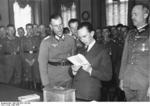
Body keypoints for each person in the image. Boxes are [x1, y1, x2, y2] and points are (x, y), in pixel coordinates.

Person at [71, 22, 112, 101]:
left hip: (89, 94)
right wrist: (73, 70)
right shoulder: (80, 49)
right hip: (75, 92)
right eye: (80, 37)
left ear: (92, 33)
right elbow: (71, 70)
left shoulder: (102, 50)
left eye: (84, 36)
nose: (82, 40)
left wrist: (91, 70)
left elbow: (108, 76)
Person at [119, 4, 150, 101]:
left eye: (135, 14)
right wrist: (122, 78)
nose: (132, 17)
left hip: (144, 83)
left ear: (145, 15)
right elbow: (124, 58)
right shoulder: (130, 34)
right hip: (128, 81)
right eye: (132, 14)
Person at [38, 14, 76, 88]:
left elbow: (73, 58)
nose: (59, 28)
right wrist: (46, 83)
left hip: (68, 77)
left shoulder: (70, 39)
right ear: (51, 27)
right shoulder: (46, 42)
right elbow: (42, 64)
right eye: (56, 26)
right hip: (53, 78)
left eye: (60, 24)